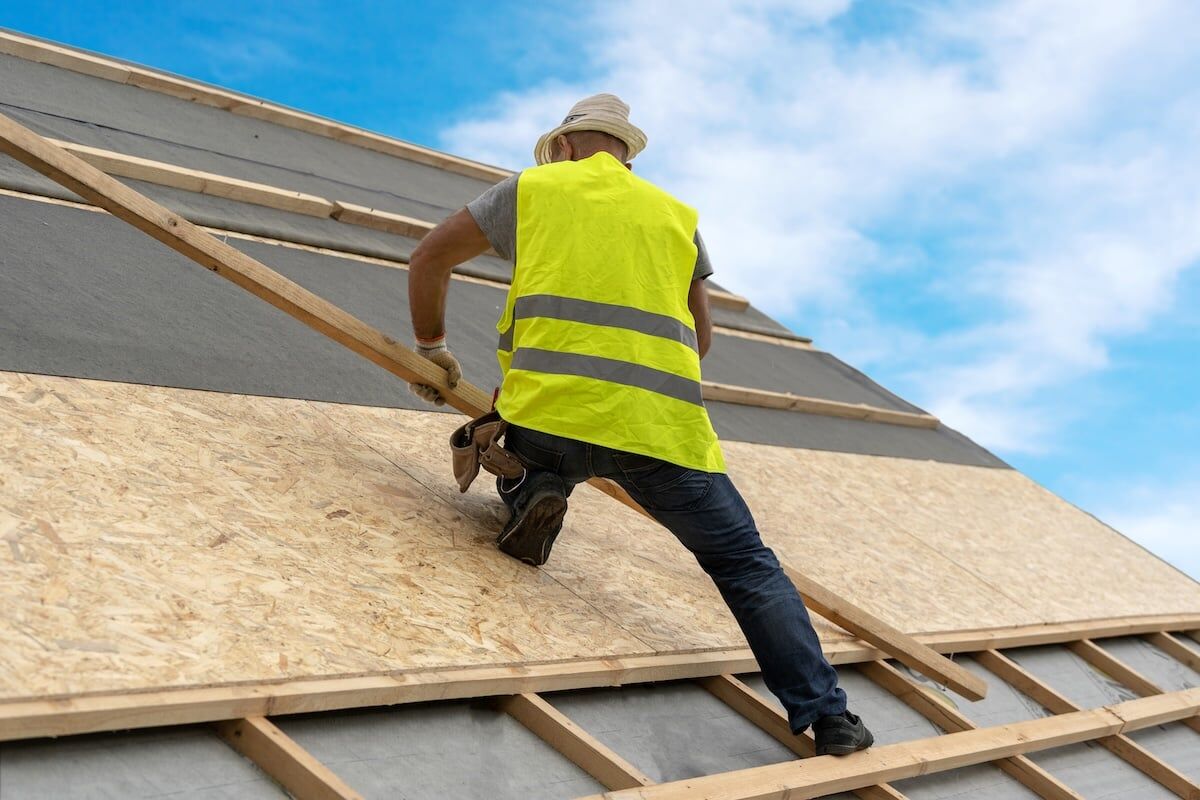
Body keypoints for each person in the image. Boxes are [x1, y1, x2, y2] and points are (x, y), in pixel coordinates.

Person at [406, 94, 873, 755]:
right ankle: (831, 719)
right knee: (744, 564)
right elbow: (701, 337)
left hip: (550, 416)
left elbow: (429, 257)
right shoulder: (676, 217)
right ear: (625, 151)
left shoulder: (532, 190)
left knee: (512, 436)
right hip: (660, 433)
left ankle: (535, 487)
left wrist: (432, 348)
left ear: (564, 146)